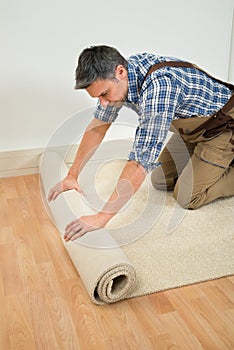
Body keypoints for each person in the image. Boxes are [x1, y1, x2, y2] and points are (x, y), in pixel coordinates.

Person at [48, 45, 234, 241]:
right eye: (98, 97)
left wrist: (102, 217)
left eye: (104, 94)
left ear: (120, 72)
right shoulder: (123, 77)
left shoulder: (159, 88)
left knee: (187, 196)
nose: (102, 102)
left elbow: (140, 162)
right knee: (161, 180)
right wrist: (72, 175)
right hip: (192, 130)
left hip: (222, 129)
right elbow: (98, 126)